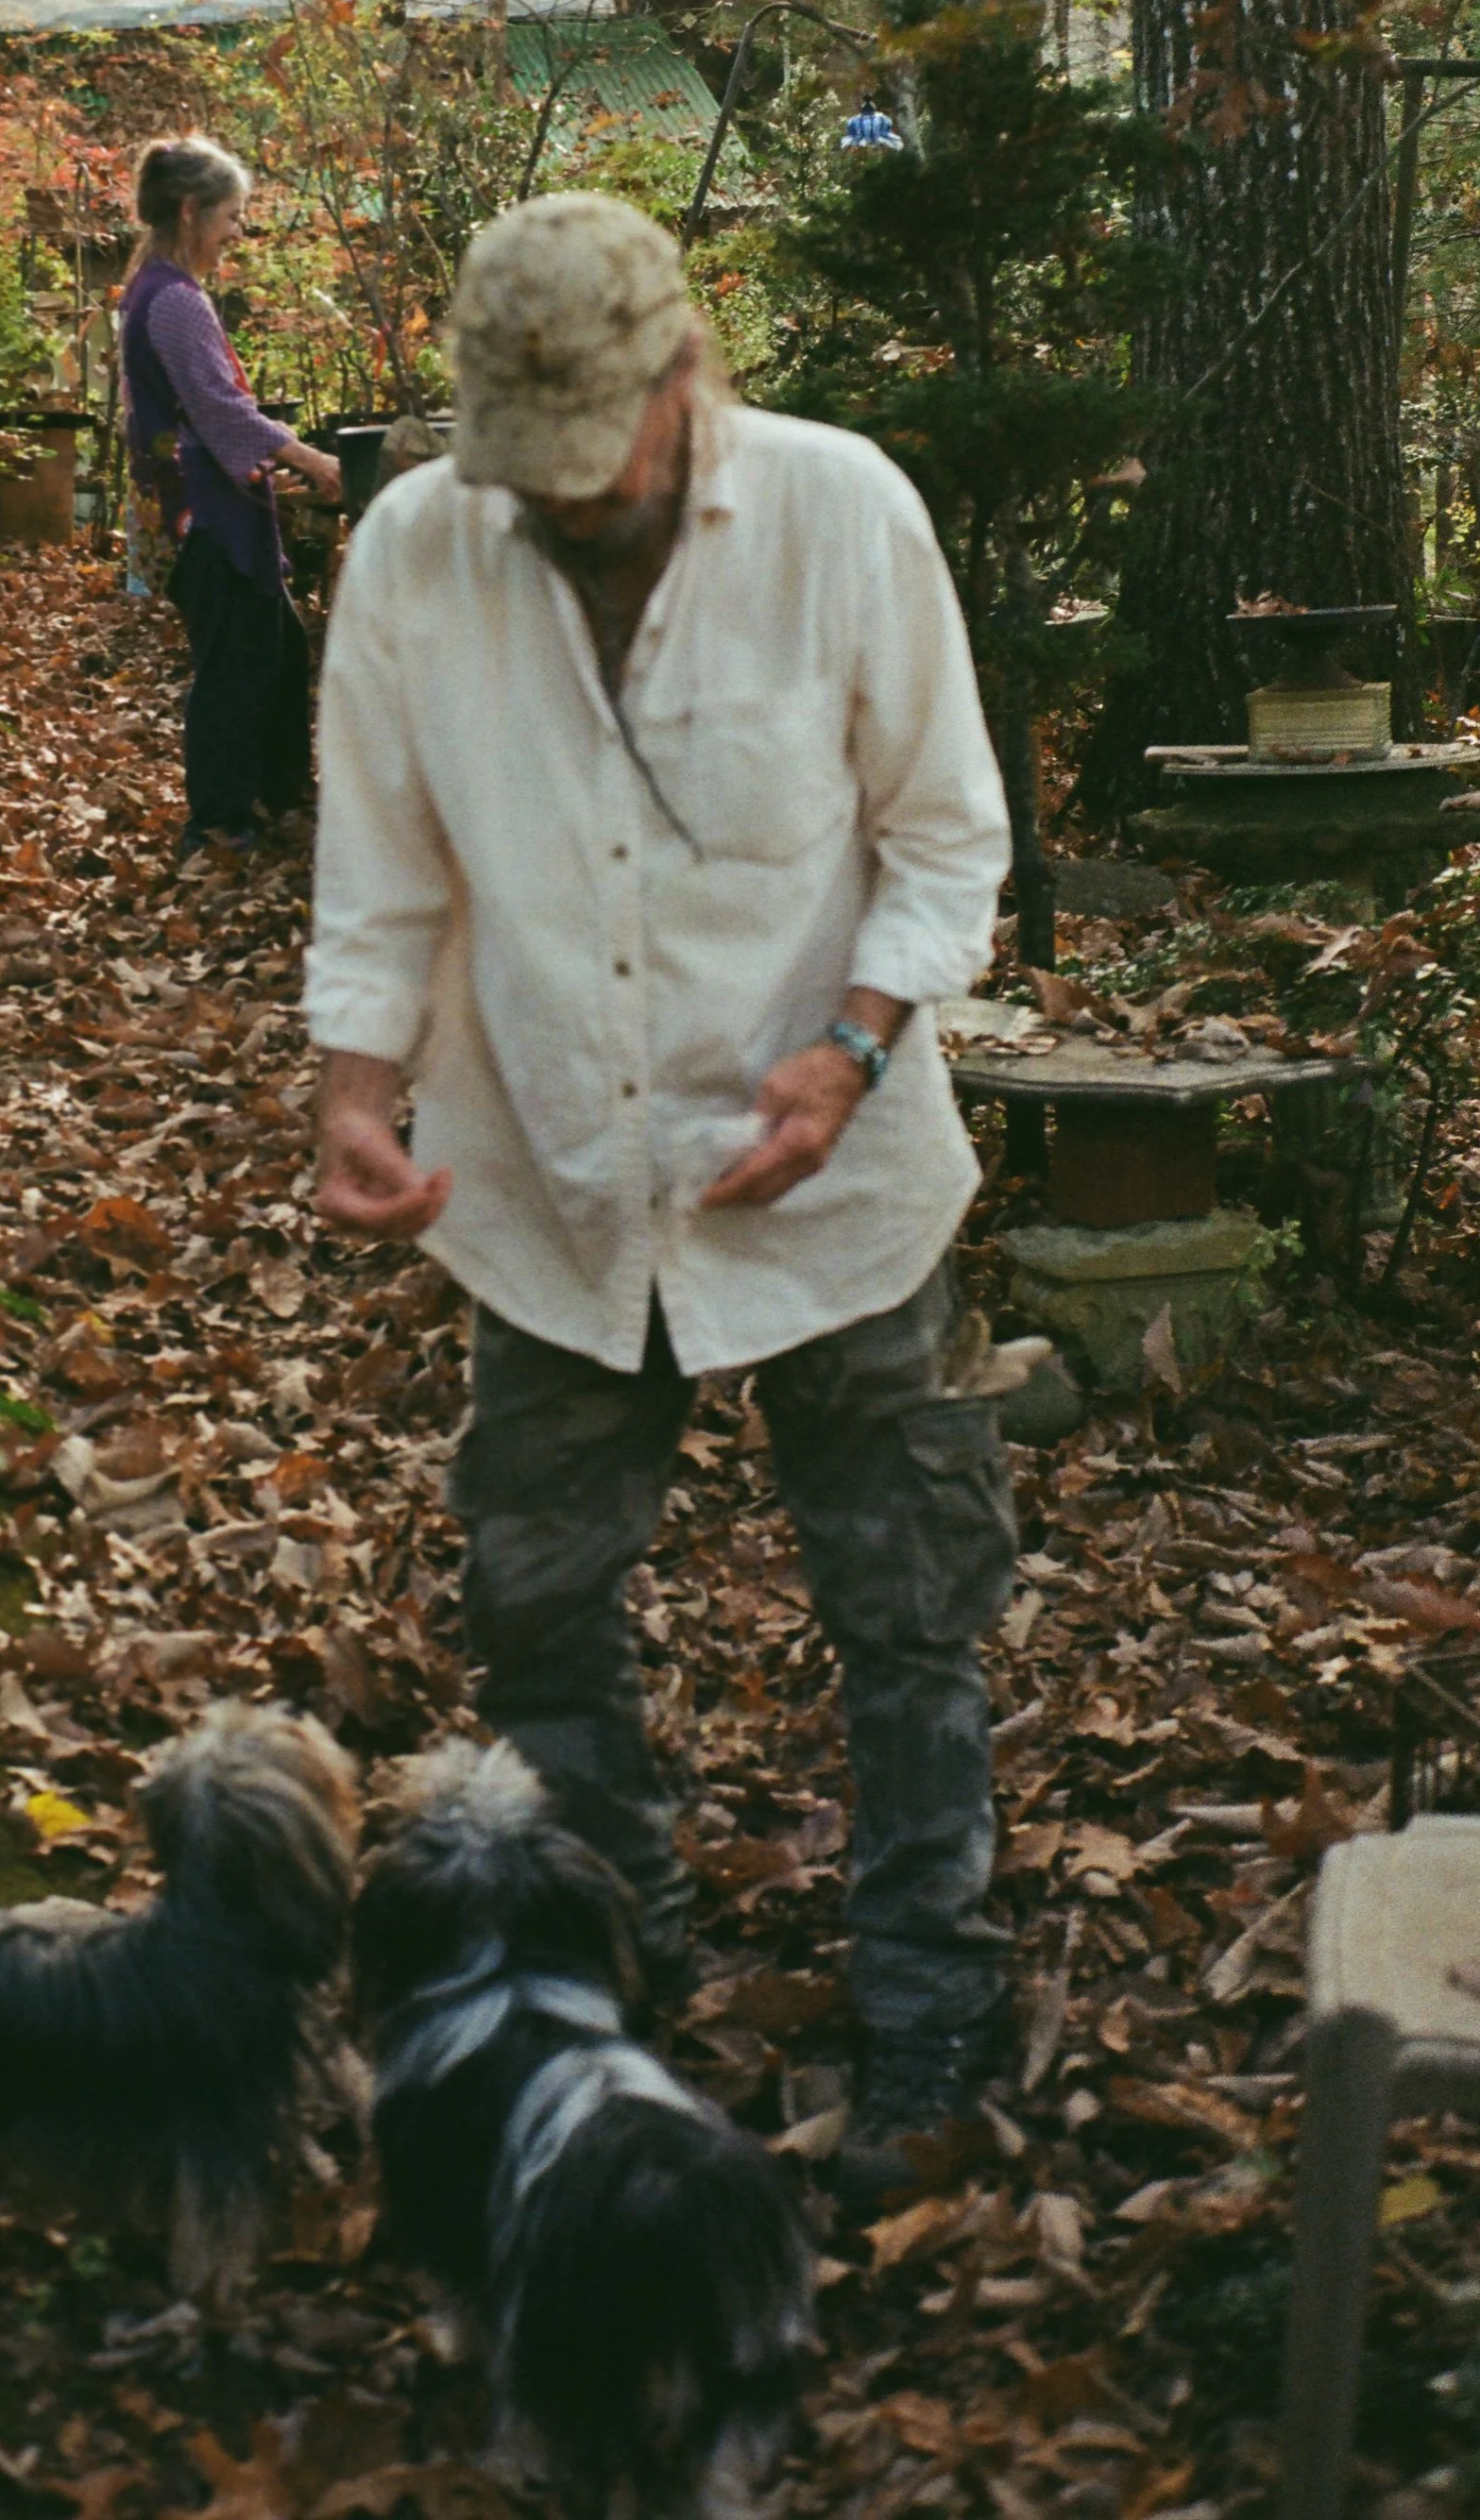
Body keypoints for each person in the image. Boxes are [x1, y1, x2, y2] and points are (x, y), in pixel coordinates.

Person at [303, 189, 1017, 2213]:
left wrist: (851, 1043)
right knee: (533, 1604)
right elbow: (379, 877)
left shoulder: (840, 514)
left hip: (833, 1175)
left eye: (584, 470)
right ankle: (612, 1997)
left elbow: (945, 838)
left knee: (907, 1613)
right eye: (511, 477)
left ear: (681, 380)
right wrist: (358, 1092)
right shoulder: (413, 551)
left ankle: (925, 2023)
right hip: (541, 1179)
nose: (549, 509)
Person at [119, 136, 340, 855]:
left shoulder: (159, 288)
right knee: (234, 664)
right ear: (191, 212)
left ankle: (281, 796)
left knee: (276, 651)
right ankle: (217, 821)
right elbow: (217, 409)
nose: (238, 233)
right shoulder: (174, 299)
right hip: (202, 517)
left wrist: (259, 465)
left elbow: (194, 411)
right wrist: (309, 458)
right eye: (233, 217)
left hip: (206, 500)